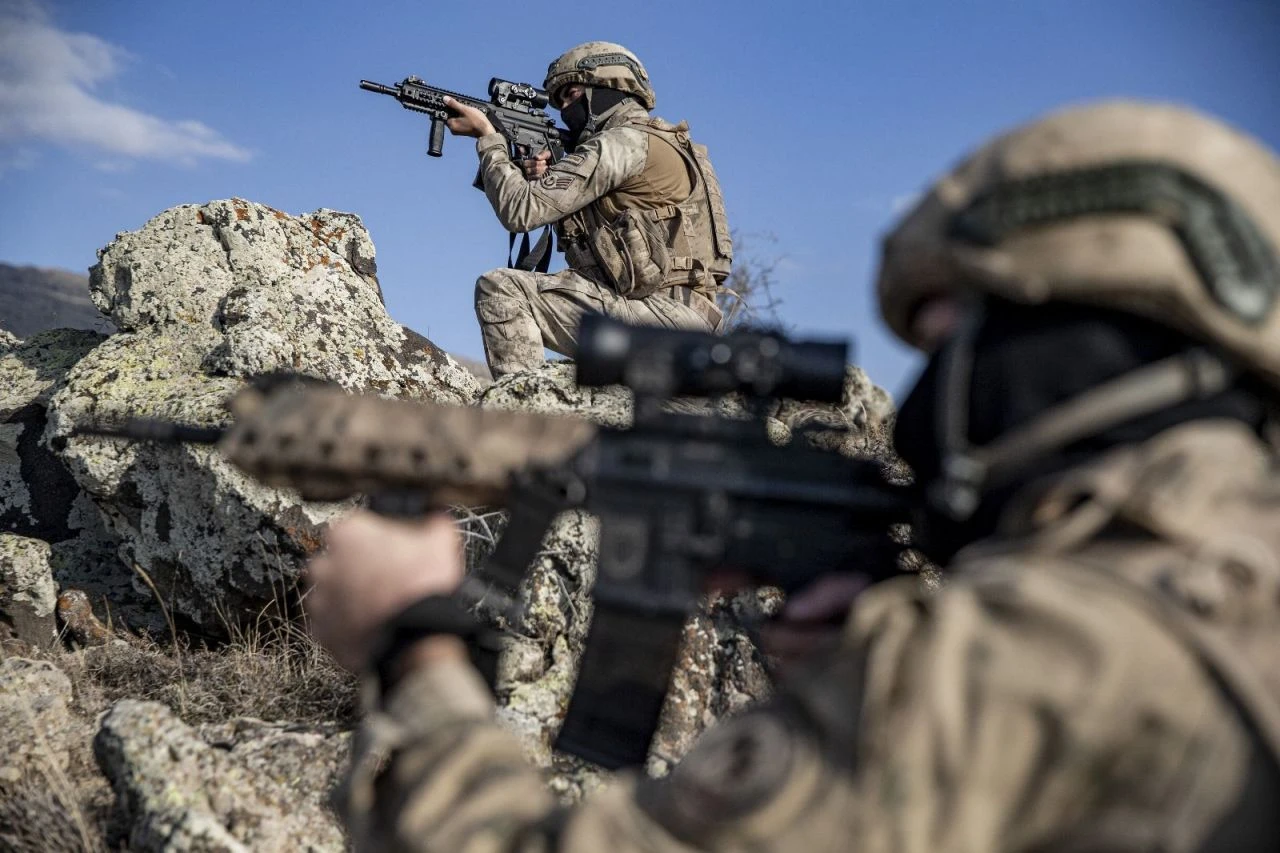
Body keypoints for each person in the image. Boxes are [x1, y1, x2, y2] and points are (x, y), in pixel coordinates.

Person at [305, 100, 1280, 850]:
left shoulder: (1037, 657)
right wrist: (867, 663)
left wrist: (413, 649)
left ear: (1076, 345)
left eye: (954, 340)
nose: (931, 393)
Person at [441, 42, 733, 378]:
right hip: (683, 320)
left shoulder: (622, 143)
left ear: (606, 89)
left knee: (502, 288)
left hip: (661, 318)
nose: (565, 109)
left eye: (572, 95)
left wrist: (488, 139)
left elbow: (519, 211)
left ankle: (526, 417)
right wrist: (546, 178)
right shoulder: (657, 143)